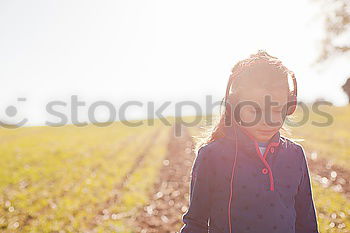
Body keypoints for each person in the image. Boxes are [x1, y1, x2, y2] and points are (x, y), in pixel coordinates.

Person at [179, 50, 319, 233]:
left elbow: (306, 220)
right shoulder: (212, 156)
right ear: (234, 107)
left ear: (289, 107)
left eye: (276, 111)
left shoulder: (295, 154)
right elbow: (195, 223)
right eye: (254, 111)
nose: (267, 120)